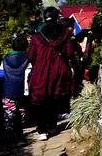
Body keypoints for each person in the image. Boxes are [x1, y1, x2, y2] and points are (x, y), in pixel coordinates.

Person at [27, 7, 74, 141]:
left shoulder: (37, 37)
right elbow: (70, 53)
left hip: (41, 71)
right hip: (59, 70)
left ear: (44, 18)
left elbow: (31, 56)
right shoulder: (65, 34)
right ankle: (52, 126)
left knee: (39, 100)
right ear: (56, 17)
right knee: (54, 98)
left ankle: (42, 130)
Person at [0, 35, 30, 138]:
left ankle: (9, 134)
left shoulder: (5, 59)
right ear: (26, 47)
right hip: (24, 90)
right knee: (22, 111)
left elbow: (1, 74)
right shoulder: (28, 58)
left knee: (9, 113)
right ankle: (20, 130)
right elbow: (30, 74)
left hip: (8, 90)